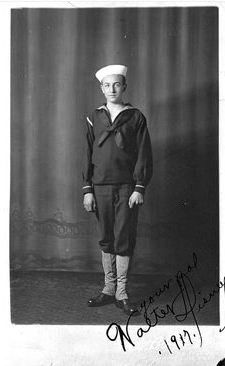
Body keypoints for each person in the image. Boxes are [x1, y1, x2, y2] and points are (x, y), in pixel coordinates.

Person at [82, 64, 152, 315]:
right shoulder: (94, 116)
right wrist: (87, 189)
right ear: (101, 88)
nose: (112, 89)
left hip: (126, 188)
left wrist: (139, 187)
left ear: (124, 87)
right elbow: (87, 154)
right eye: (107, 85)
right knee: (106, 236)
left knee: (123, 237)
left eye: (117, 84)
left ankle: (122, 293)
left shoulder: (136, 117)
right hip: (99, 187)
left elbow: (144, 154)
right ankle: (108, 289)